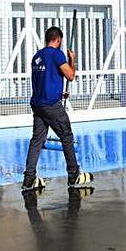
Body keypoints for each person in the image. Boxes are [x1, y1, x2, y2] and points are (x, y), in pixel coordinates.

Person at [22, 26, 93, 191]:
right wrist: (72, 59)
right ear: (58, 40)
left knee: (37, 140)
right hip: (51, 105)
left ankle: (29, 178)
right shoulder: (56, 54)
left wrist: (60, 93)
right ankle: (74, 174)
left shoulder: (37, 56)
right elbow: (70, 76)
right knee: (66, 136)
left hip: (38, 104)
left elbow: (46, 79)